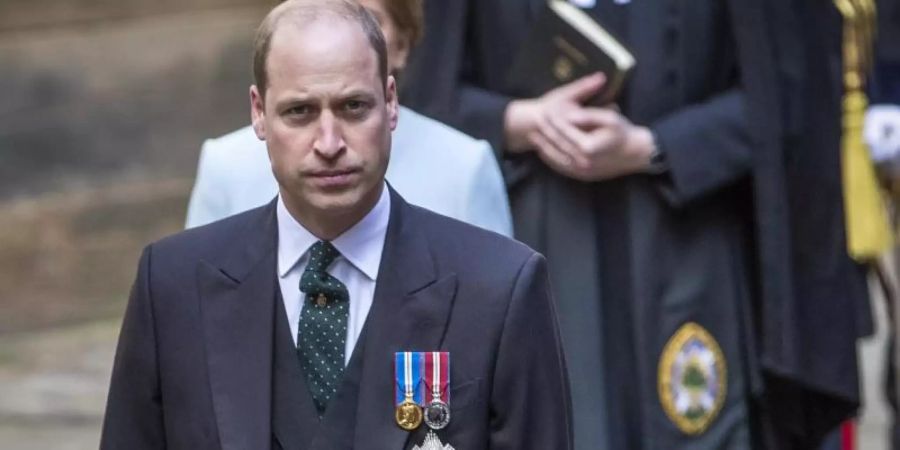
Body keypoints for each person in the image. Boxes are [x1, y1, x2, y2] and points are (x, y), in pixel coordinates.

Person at [99, 1, 571, 449]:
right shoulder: (173, 283)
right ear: (259, 113)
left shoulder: (499, 286)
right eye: (299, 112)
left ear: (390, 103)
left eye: (352, 107)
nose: (328, 142)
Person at [401, 0, 794, 448]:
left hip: (682, 233)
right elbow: (422, 87)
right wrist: (524, 121)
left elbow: (777, 94)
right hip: (536, 229)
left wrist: (653, 146)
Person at [184, 0, 512, 237]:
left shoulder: (465, 166)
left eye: (367, 19)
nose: (340, 36)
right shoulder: (226, 163)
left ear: (402, 45)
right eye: (299, 111)